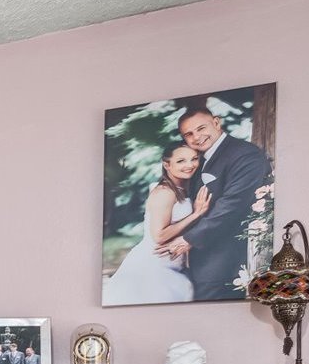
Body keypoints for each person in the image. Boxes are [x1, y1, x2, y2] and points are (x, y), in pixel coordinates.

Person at [166, 106, 274, 300]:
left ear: (216, 122)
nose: (196, 137)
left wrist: (189, 239)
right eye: (189, 134)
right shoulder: (199, 160)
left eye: (201, 128)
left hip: (224, 263)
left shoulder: (244, 154)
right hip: (202, 264)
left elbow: (233, 204)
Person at [103, 144, 209, 304]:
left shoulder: (180, 189)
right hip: (153, 266)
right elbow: (159, 235)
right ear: (167, 164)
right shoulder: (164, 193)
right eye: (181, 161)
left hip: (170, 264)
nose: (189, 165)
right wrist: (196, 214)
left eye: (194, 159)